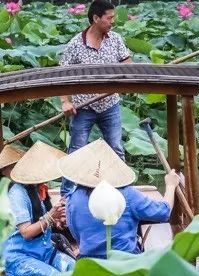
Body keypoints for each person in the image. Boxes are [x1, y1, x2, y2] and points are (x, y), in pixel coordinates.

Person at [58, 0, 132, 198]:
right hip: (84, 106)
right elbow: (61, 75)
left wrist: (124, 79)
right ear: (96, 18)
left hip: (110, 104)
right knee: (76, 150)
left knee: (116, 148)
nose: (112, 22)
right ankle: (67, 197)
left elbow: (128, 63)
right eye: (109, 18)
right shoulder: (76, 44)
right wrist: (65, 102)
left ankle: (122, 192)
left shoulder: (115, 39)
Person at [59, 139, 180, 259]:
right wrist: (170, 185)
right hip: (125, 260)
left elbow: (75, 234)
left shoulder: (72, 197)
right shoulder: (127, 194)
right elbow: (163, 212)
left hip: (88, 261)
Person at [0, 141, 75, 276]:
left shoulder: (34, 188)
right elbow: (26, 232)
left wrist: (56, 219)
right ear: (4, 171)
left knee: (77, 271)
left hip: (44, 251)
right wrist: (50, 217)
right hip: (19, 257)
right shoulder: (16, 193)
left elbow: (43, 220)